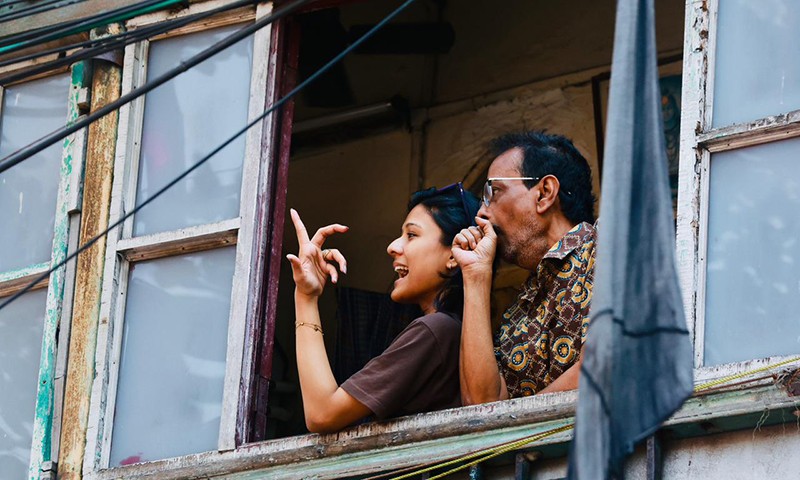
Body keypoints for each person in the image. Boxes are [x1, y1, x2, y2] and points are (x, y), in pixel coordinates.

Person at [287, 183, 480, 433]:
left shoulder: (436, 330)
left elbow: (322, 414)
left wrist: (305, 297)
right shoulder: (453, 329)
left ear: (454, 254)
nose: (393, 247)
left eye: (412, 235)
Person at [452, 131, 597, 405]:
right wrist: (476, 276)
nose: (481, 213)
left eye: (493, 192)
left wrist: (510, 426)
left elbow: (607, 366)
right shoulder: (519, 311)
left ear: (544, 193)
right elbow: (481, 406)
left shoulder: (611, 247)